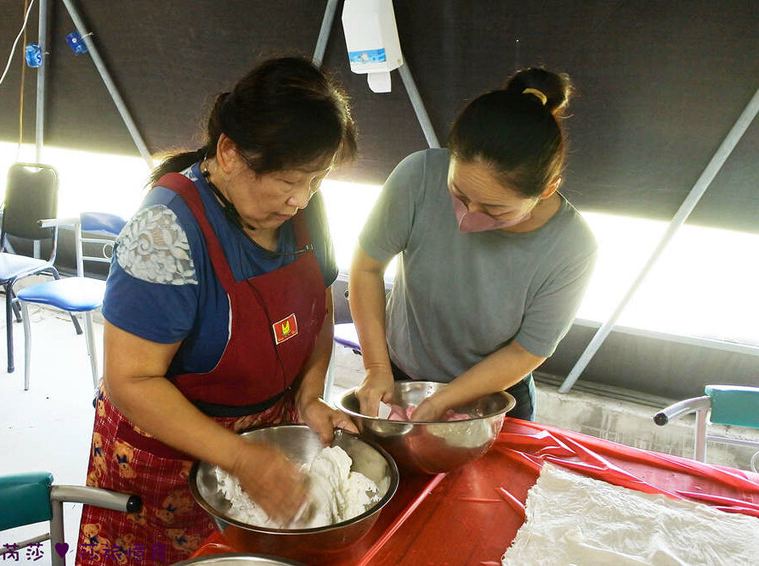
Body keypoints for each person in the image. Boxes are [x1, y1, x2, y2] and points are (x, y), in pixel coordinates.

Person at [76, 57, 358, 565]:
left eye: (317, 179)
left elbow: (315, 310)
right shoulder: (164, 234)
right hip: (166, 461)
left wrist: (310, 397)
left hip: (266, 443)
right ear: (228, 151)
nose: (301, 199)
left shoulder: (302, 208)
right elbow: (130, 380)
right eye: (290, 180)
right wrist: (241, 459)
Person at [350, 68, 597, 423]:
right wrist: (376, 367)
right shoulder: (417, 177)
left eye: (495, 208)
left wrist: (446, 399)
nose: (468, 216)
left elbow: (526, 350)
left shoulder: (572, 248)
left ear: (546, 189)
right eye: (459, 194)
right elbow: (367, 267)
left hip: (494, 397)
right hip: (402, 375)